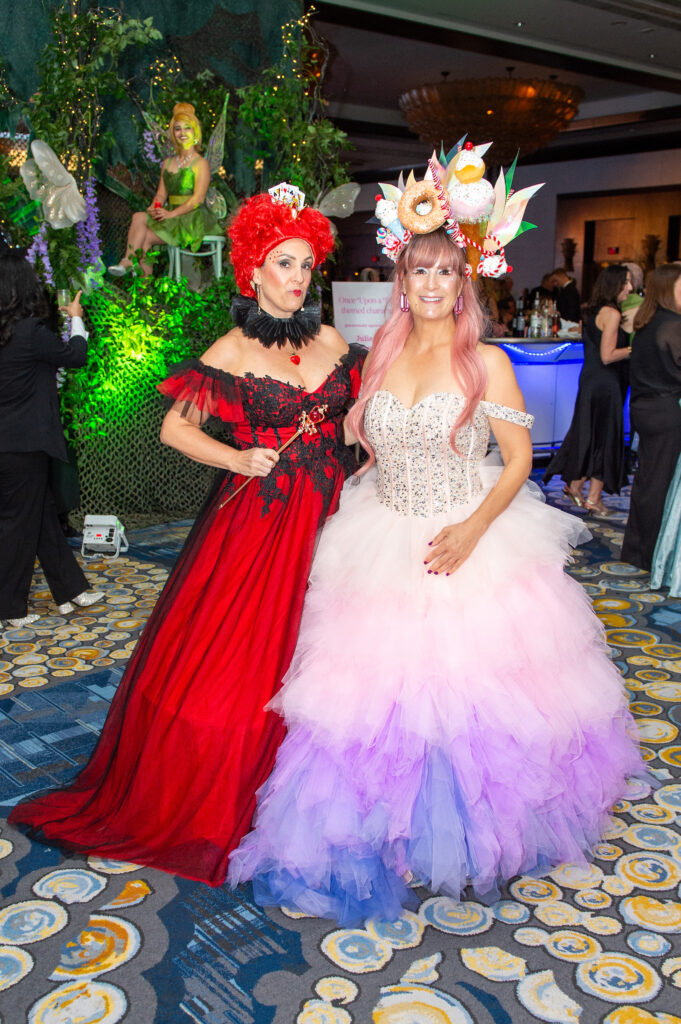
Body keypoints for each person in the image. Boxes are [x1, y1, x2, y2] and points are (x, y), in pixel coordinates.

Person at [229, 223, 645, 926]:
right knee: (374, 701)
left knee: (470, 698)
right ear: (401, 284)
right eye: (417, 273)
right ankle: (386, 828)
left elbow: (518, 460)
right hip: (380, 535)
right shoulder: (378, 357)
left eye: (445, 274)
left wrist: (472, 529)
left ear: (463, 285)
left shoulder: (484, 360)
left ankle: (468, 832)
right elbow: (360, 444)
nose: (429, 286)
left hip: (468, 536)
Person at [10, 184, 364, 885]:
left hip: (334, 513)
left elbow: (357, 418)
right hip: (259, 519)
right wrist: (237, 457)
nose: (295, 279)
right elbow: (176, 428)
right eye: (281, 264)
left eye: (303, 266)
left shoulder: (331, 340)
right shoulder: (230, 348)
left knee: (334, 649)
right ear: (252, 271)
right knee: (241, 654)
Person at [0, 250, 103, 627]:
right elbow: (75, 356)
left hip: (10, 446)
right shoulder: (28, 332)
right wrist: (76, 321)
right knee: (17, 526)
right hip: (24, 446)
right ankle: (8, 608)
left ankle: (69, 590)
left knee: (41, 517)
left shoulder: (16, 333)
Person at [542, 265, 632, 516]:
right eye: (626, 282)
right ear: (615, 284)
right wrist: (635, 349)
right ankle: (593, 498)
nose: (630, 288)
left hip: (592, 381)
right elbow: (607, 355)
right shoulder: (612, 313)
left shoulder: (593, 311)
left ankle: (576, 484)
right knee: (605, 436)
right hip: (606, 383)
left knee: (589, 432)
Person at [108, 102, 221, 277]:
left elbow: (198, 199)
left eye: (187, 128)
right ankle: (136, 274)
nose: (182, 133)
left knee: (143, 232)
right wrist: (156, 206)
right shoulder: (168, 163)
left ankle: (132, 269)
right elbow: (161, 193)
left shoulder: (200, 163)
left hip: (190, 218)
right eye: (177, 129)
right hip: (170, 215)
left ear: (195, 132)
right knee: (141, 223)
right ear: (172, 133)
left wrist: (171, 214)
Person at [621, 263, 681, 570]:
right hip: (667, 412)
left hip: (642, 410)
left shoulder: (645, 323)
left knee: (646, 481)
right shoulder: (674, 324)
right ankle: (650, 554)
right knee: (660, 484)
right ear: (669, 289)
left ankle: (635, 550)